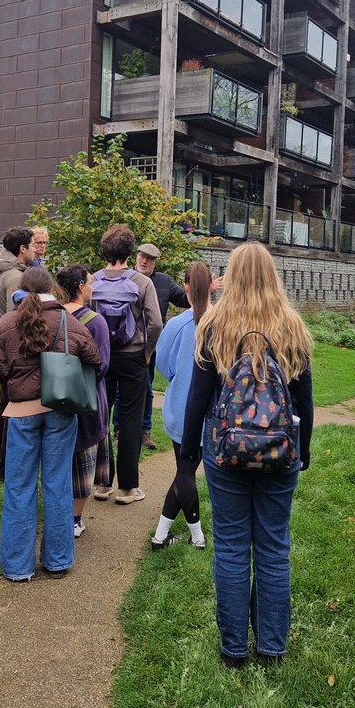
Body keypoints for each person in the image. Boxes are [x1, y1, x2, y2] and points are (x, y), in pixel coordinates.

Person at [181, 241, 314, 666]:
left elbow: (197, 398)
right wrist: (302, 451)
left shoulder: (214, 325)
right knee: (274, 547)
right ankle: (272, 647)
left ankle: (234, 649)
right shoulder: (291, 326)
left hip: (225, 450)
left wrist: (188, 454)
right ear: (273, 275)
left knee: (233, 546)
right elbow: (305, 404)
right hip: (281, 451)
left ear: (232, 276)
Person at [0, 266, 100, 581]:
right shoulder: (69, 322)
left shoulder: (7, 323)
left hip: (21, 412)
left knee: (19, 487)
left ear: (22, 288)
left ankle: (17, 566)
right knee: (57, 483)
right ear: (51, 288)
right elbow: (95, 360)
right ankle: (58, 560)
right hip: (60, 410)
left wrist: (18, 383)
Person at [93, 225, 162, 505]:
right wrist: (147, 352)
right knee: (131, 421)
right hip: (133, 358)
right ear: (130, 252)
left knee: (100, 416)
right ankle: (127, 489)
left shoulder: (92, 279)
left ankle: (101, 483)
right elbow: (156, 322)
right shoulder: (143, 282)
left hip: (102, 357)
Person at [150, 260, 212, 550]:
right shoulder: (223, 321)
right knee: (185, 472)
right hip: (211, 411)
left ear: (185, 287)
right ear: (211, 285)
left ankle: (169, 537)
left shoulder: (176, 325)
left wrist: (179, 374)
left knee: (183, 471)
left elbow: (161, 364)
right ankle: (187, 537)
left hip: (180, 409)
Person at [55, 264, 110, 539]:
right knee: (84, 466)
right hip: (87, 400)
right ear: (80, 286)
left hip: (55, 397)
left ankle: (59, 513)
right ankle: (75, 519)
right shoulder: (95, 321)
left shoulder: (53, 317)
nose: (93, 286)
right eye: (90, 282)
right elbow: (102, 365)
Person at [130, 242, 190, 450]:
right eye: (141, 256)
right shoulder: (126, 278)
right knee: (123, 391)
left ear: (155, 262)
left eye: (148, 258)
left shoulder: (164, 282)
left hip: (151, 346)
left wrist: (202, 290)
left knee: (147, 389)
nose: (143, 261)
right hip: (128, 345)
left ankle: (145, 431)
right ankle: (120, 431)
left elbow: (184, 299)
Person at [0, 227, 36, 479]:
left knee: (4, 407)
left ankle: (2, 464)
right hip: (14, 353)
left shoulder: (3, 271)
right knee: (12, 410)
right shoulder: (16, 278)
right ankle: (7, 468)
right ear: (22, 249)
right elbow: (16, 318)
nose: (36, 249)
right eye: (32, 245)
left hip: (2, 350)